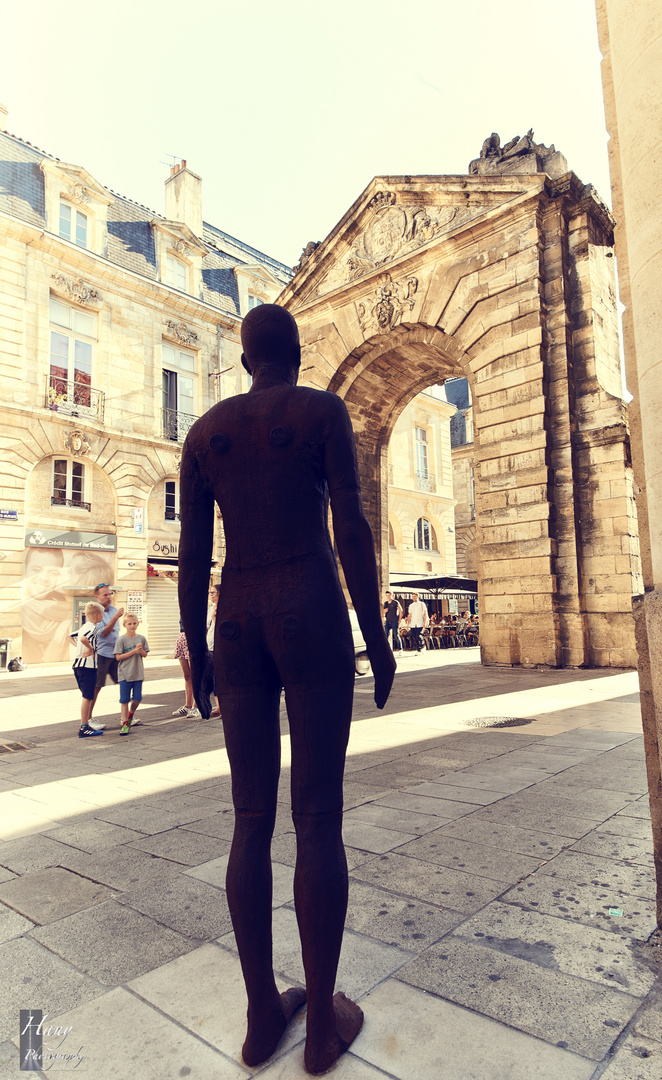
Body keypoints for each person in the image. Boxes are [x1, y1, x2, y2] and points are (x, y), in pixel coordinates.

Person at [178, 304, 395, 1076]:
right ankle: (322, 1030)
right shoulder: (320, 410)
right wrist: (375, 633)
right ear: (297, 356)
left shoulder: (203, 433)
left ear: (244, 362)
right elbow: (352, 528)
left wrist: (196, 646)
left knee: (249, 819)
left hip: (235, 617)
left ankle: (261, 1015)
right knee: (317, 816)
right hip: (307, 604)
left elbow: (194, 554)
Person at [90, 583, 124, 726]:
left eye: (110, 594)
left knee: (124, 683)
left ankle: (126, 717)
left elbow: (116, 634)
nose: (109, 597)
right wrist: (115, 617)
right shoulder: (94, 613)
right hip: (101, 655)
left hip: (115, 654)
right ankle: (88, 719)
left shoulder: (113, 610)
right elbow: (104, 633)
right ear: (96, 597)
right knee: (96, 687)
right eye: (105, 595)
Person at [73, 600, 105, 738]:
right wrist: (90, 649)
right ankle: (84, 727)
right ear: (98, 615)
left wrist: (80, 650)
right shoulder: (94, 628)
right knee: (87, 697)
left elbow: (69, 637)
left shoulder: (83, 626)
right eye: (102, 614)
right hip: (88, 667)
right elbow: (84, 639)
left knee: (87, 696)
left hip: (78, 666)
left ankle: (85, 724)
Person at [115, 614, 149, 735]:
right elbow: (118, 657)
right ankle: (125, 723)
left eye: (134, 623)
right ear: (124, 625)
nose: (132, 626)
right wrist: (133, 651)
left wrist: (140, 651)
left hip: (137, 673)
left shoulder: (141, 638)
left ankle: (131, 714)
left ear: (138, 623)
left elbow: (145, 654)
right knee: (124, 700)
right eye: (129, 624)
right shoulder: (121, 640)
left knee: (137, 698)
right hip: (124, 674)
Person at [172, 622, 201, 718]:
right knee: (186, 675)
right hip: (181, 636)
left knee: (195, 675)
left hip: (193, 636)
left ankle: (196, 706)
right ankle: (187, 706)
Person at [207, 582, 221, 718]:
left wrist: (215, 619)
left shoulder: (223, 608)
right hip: (210, 644)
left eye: (212, 593)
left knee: (219, 676)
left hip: (219, 646)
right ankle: (218, 706)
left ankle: (222, 706)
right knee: (213, 677)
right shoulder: (211, 608)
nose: (210, 595)